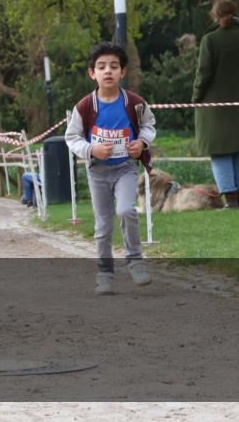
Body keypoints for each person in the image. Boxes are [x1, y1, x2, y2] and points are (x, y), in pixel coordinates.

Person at [64, 42, 156, 296]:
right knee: (103, 224)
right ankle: (104, 274)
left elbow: (149, 125)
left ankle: (135, 261)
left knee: (127, 210)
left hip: (125, 167)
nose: (108, 72)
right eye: (101, 67)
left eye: (114, 67)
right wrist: (91, 150)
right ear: (92, 73)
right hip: (98, 171)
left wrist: (142, 142)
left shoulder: (134, 102)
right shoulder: (84, 107)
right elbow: (72, 138)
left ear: (122, 72)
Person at [193, 0, 239, 209]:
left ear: (214, 14)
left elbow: (204, 73)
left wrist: (196, 97)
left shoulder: (210, 40)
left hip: (214, 105)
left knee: (220, 152)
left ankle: (229, 199)